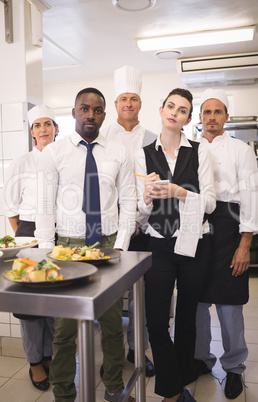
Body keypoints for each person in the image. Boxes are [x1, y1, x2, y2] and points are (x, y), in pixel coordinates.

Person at [35, 87, 137, 402]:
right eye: (84, 108)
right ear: (74, 112)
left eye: (97, 110)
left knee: (110, 324)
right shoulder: (54, 153)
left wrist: (120, 245)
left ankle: (114, 388)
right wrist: (44, 252)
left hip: (107, 245)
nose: (90, 115)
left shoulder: (119, 151)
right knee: (65, 330)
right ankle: (64, 393)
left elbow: (129, 201)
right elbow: (44, 206)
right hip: (66, 245)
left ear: (104, 114)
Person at [134, 88, 216, 402]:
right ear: (161, 109)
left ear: (188, 118)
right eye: (171, 106)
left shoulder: (199, 152)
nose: (175, 113)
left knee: (187, 318)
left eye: (182, 110)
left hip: (196, 242)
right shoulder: (142, 153)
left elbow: (208, 203)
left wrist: (178, 191)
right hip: (159, 243)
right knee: (156, 319)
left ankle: (181, 380)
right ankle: (172, 391)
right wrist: (147, 197)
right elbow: (140, 210)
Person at [194, 88, 258, 400]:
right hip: (196, 230)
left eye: (217, 112)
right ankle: (201, 360)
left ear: (226, 117)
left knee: (230, 304)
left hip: (229, 230)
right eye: (206, 112)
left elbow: (250, 198)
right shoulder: (189, 149)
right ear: (199, 118)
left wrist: (244, 244)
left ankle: (234, 367)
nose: (211, 117)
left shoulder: (240, 151)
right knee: (196, 302)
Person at [101, 65, 156, 377]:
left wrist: (136, 219)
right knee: (108, 297)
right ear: (116, 103)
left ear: (139, 104)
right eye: (123, 98)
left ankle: (138, 349)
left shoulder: (151, 139)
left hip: (144, 228)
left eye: (133, 98)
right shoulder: (102, 136)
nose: (128, 104)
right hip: (109, 230)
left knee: (142, 298)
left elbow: (150, 184)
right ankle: (111, 355)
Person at [4, 104, 59, 391]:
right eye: (37, 125)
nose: (43, 129)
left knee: (53, 301)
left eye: (47, 123)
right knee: (29, 306)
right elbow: (10, 208)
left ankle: (49, 355)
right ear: (31, 132)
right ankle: (35, 362)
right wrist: (26, 239)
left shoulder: (65, 159)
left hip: (60, 235)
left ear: (56, 128)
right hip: (28, 234)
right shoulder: (21, 163)